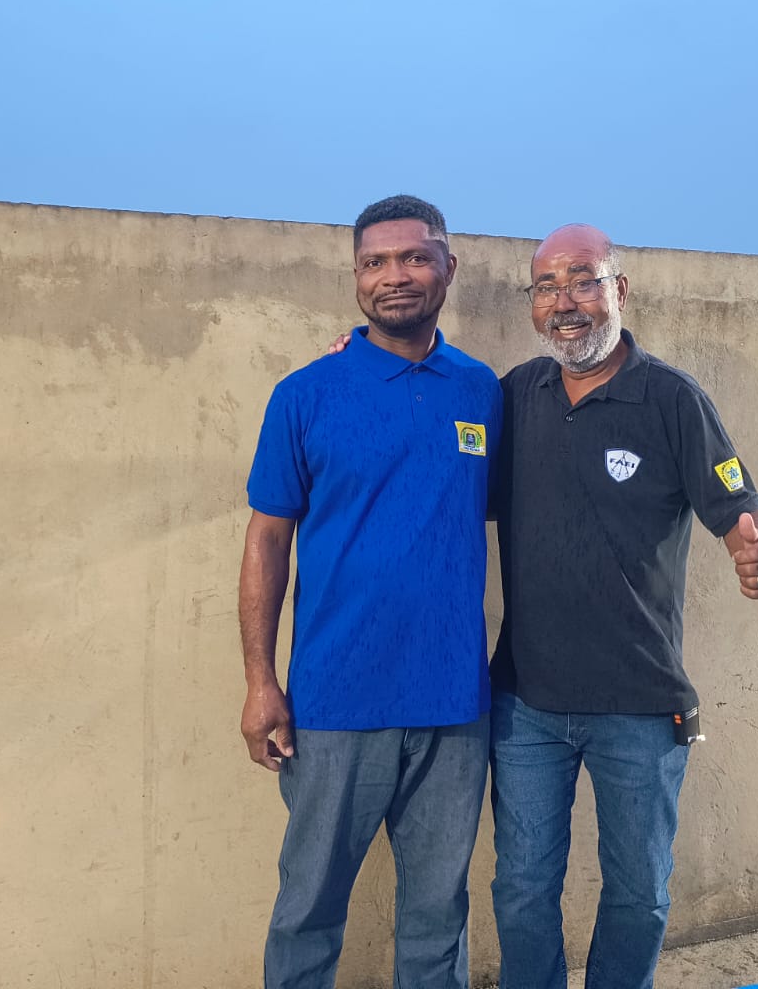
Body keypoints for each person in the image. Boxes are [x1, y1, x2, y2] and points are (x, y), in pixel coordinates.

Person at [488, 223, 758, 989]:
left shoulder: (672, 399)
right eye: (547, 286)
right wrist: (360, 354)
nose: (565, 303)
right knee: (520, 891)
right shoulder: (516, 395)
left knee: (639, 896)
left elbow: (737, 500)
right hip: (526, 707)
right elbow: (435, 442)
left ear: (618, 290)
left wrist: (756, 549)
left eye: (583, 281)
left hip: (642, 709)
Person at [238, 195, 503, 989]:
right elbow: (266, 541)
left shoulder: (482, 393)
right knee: (308, 910)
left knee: (438, 916)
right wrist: (260, 683)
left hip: (454, 707)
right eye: (375, 262)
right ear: (356, 277)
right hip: (333, 705)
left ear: (448, 267)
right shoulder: (305, 394)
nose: (395, 276)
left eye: (415, 257)